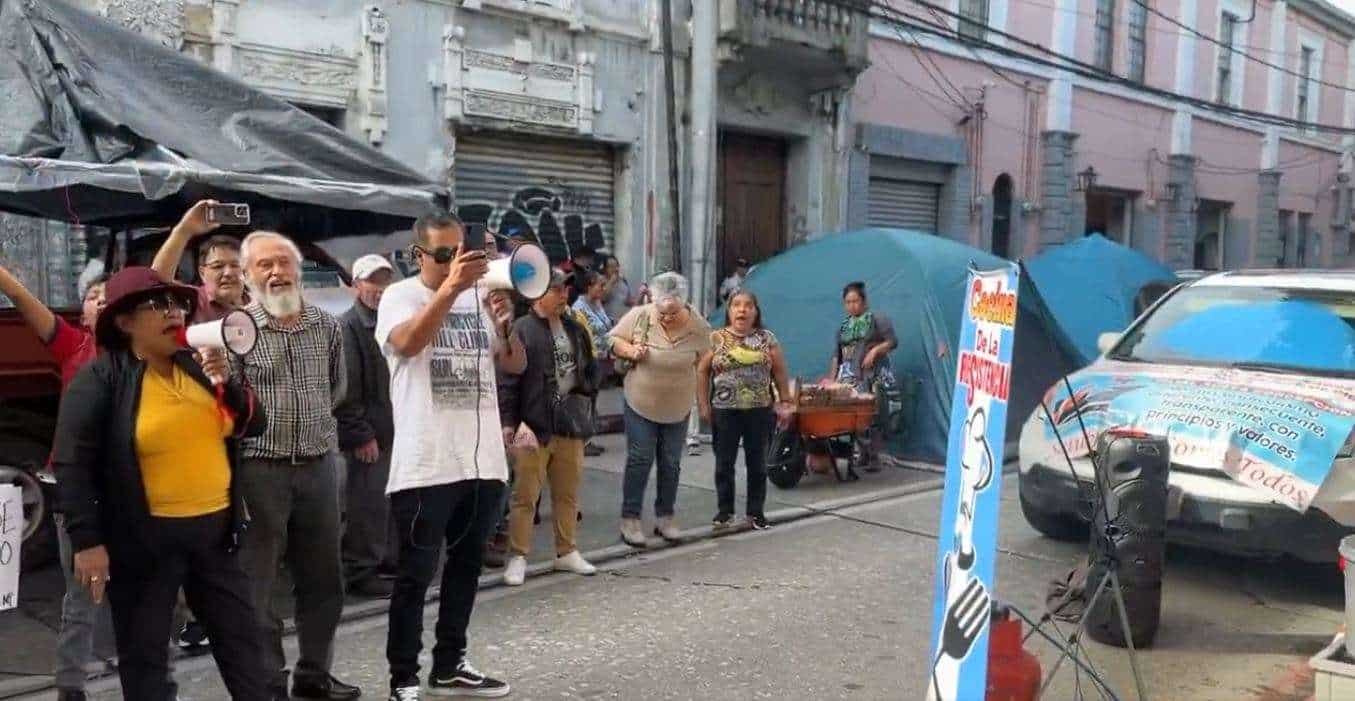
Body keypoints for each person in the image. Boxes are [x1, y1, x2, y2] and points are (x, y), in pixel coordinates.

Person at [52, 266, 269, 701]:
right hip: (144, 543)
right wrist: (87, 541)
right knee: (146, 656)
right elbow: (72, 463)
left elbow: (254, 424)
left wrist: (226, 382)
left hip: (214, 536)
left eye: (178, 304)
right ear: (124, 320)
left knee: (245, 645)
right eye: (158, 305)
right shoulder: (100, 379)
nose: (174, 312)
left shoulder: (196, 368)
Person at [376, 212, 523, 700]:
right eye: (442, 255)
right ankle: (403, 678)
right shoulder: (400, 296)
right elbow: (408, 343)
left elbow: (514, 363)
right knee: (415, 577)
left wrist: (506, 327)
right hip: (427, 463)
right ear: (418, 254)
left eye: (460, 252)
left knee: (466, 569)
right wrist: (452, 289)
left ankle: (449, 662)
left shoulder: (483, 296)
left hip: (482, 463)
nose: (454, 262)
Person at [231, 231, 358, 700]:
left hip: (319, 466)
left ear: (299, 271)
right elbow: (229, 404)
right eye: (264, 265)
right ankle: (267, 682)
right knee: (256, 585)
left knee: (325, 578)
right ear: (247, 276)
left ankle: (314, 673)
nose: (276, 272)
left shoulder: (327, 326)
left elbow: (336, 390)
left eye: (284, 263)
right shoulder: (236, 330)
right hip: (259, 471)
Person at [0, 263, 111, 701]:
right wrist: (5, 278)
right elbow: (26, 303)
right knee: (81, 598)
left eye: (109, 294)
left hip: (131, 498)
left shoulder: (146, 356)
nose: (100, 299)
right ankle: (70, 687)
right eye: (92, 296)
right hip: (80, 498)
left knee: (145, 592)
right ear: (82, 314)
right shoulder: (73, 346)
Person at [499, 269, 600, 586]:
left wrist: (585, 395)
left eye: (565, 290)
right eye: (556, 290)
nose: (563, 295)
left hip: (571, 424)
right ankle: (518, 556)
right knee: (525, 495)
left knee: (568, 494)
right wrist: (509, 424)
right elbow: (508, 381)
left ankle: (566, 550)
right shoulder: (522, 329)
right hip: (532, 423)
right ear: (536, 295)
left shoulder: (575, 328)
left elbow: (591, 369)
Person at [608, 272, 712, 547]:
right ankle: (630, 519)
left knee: (671, 463)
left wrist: (703, 397)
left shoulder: (697, 325)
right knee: (640, 458)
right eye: (662, 311)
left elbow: (706, 359)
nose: (666, 317)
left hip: (677, 406)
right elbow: (613, 340)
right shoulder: (641, 315)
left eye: (672, 312)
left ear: (683, 304)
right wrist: (631, 352)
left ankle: (665, 517)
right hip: (640, 401)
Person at [697, 291, 791, 530]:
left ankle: (755, 513)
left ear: (756, 312)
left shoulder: (767, 339)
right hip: (725, 410)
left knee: (757, 463)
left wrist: (785, 403)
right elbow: (702, 370)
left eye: (748, 306)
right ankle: (725, 512)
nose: (742, 310)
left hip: (759, 410)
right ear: (729, 311)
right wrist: (703, 404)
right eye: (736, 305)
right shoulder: (717, 338)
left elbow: (780, 372)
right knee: (724, 463)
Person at [335, 254, 398, 599]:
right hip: (369, 434)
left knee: (386, 503)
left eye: (385, 281)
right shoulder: (349, 327)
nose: (379, 289)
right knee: (366, 505)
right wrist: (359, 433)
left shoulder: (391, 319)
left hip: (392, 428)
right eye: (372, 281)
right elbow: (346, 388)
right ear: (356, 285)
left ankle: (385, 562)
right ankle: (360, 570)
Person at [827, 281, 898, 471]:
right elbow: (837, 356)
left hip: (872, 374)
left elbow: (892, 341)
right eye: (848, 302)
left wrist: (874, 352)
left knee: (871, 415)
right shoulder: (843, 327)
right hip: (849, 376)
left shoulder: (877, 319)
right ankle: (863, 452)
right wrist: (832, 380)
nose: (852, 305)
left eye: (855, 301)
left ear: (864, 301)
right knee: (853, 417)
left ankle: (874, 456)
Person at [151, 199, 248, 323]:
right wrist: (184, 230)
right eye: (217, 266)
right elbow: (157, 281)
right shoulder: (192, 301)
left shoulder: (262, 301)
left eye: (235, 265)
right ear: (202, 273)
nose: (228, 273)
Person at [571, 270, 613, 457]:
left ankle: (588, 437)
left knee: (593, 400)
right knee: (585, 400)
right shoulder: (579, 308)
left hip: (601, 356)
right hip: (586, 358)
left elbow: (606, 326)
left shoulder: (597, 304)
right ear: (589, 286)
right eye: (600, 285)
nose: (603, 289)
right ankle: (582, 440)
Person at [600, 255, 634, 325]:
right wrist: (611, 282)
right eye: (611, 267)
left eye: (616, 266)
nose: (615, 269)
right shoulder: (601, 281)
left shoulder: (623, 280)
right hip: (608, 321)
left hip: (623, 320)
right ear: (605, 269)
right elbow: (602, 298)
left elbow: (628, 300)